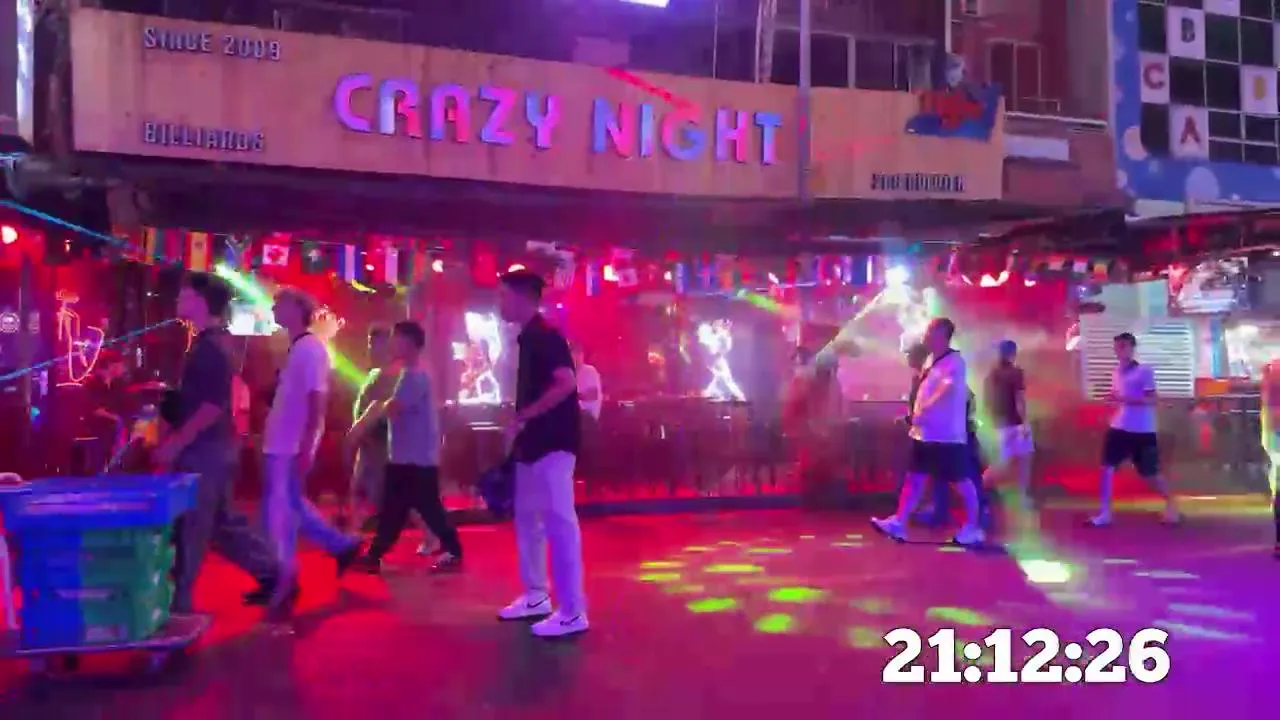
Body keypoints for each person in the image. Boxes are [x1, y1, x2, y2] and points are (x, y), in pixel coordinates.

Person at [153, 273, 284, 615]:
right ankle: (274, 575)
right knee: (222, 525)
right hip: (216, 447)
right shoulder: (211, 343)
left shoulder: (209, 348)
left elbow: (212, 406)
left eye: (184, 293)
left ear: (200, 301)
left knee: (192, 528)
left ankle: (178, 604)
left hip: (205, 450)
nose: (178, 299)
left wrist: (176, 442)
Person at [494, 270, 589, 638]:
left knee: (559, 524)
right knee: (529, 521)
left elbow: (566, 383)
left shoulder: (546, 336)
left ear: (522, 298)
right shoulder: (527, 337)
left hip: (553, 441)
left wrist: (524, 416)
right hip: (533, 443)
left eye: (503, 296)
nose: (499, 303)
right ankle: (536, 596)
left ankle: (572, 611)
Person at [261, 287, 361, 612]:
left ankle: (286, 579)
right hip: (283, 443)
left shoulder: (310, 349)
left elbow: (318, 403)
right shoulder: (299, 347)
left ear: (296, 308)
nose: (274, 309)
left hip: (288, 445)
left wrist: (309, 445)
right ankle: (342, 546)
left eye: (279, 304)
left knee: (279, 514)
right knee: (290, 506)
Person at [351, 320, 463, 573]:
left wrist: (369, 416)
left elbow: (394, 408)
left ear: (409, 343)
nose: (391, 344)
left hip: (415, 459)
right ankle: (375, 554)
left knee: (422, 509)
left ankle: (453, 550)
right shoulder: (411, 373)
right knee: (399, 509)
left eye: (396, 338)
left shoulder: (415, 376)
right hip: (407, 457)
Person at [872, 318, 985, 546]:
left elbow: (946, 389)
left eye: (930, 331)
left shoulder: (955, 362)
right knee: (914, 477)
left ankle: (973, 527)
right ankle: (899, 522)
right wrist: (917, 417)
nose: (925, 335)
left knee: (961, 481)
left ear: (942, 335)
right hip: (925, 433)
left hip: (946, 436)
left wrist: (924, 410)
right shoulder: (931, 361)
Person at [1087, 332, 1181, 526]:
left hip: (1142, 430)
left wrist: (1125, 399)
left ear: (1132, 348)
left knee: (1151, 474)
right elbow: (1117, 396)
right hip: (1119, 427)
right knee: (1107, 468)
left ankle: (1171, 506)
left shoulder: (1144, 371)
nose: (1119, 350)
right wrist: (1111, 401)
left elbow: (1152, 399)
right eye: (1117, 346)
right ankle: (1105, 513)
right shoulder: (1115, 372)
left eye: (1123, 346)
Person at [345, 326, 397, 533]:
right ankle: (354, 534)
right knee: (359, 492)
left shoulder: (391, 377)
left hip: (381, 447)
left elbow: (378, 410)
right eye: (370, 344)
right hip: (368, 446)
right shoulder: (375, 374)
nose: (370, 349)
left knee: (386, 497)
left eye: (375, 345)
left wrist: (357, 432)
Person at [984, 340, 1033, 509]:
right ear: (1013, 353)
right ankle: (1022, 497)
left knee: (1001, 463)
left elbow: (988, 400)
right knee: (1023, 461)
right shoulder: (1016, 373)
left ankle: (981, 488)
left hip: (999, 423)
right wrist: (1025, 422)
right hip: (1015, 422)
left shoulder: (992, 374)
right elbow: (1020, 400)